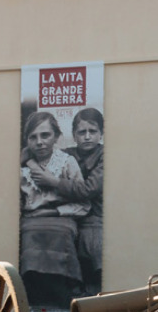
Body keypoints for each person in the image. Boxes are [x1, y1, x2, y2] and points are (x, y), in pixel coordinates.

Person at [25, 109, 104, 295]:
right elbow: (31, 154)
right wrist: (31, 163)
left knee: (91, 242)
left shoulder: (104, 156)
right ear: (73, 135)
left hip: (95, 214)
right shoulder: (68, 154)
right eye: (81, 132)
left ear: (101, 133)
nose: (87, 137)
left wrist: (52, 181)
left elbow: (88, 190)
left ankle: (89, 290)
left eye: (92, 132)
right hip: (70, 212)